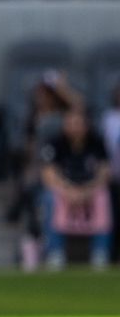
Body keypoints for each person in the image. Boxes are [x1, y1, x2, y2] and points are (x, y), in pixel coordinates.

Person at [39, 109, 111, 270]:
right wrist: (67, 190)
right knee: (50, 198)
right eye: (71, 123)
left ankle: (100, 252)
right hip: (63, 190)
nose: (75, 127)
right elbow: (48, 173)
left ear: (86, 125)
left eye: (78, 123)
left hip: (89, 189)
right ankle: (55, 252)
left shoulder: (96, 143)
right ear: (64, 125)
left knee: (103, 197)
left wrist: (87, 190)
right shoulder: (55, 143)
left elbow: (104, 172)